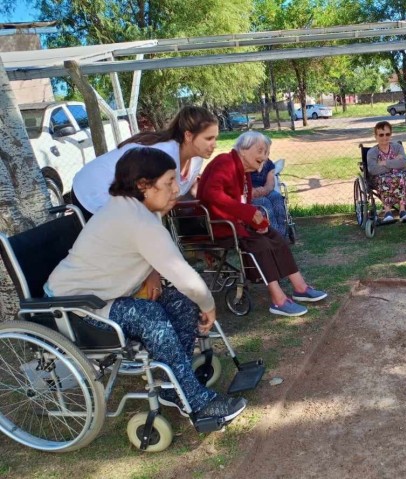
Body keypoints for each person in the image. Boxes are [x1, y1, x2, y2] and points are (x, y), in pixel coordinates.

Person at [45, 147, 247, 423]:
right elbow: (184, 275)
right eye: (169, 182)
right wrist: (209, 305)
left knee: (179, 302)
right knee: (151, 315)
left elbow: (154, 258)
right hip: (74, 308)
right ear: (143, 186)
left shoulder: (137, 208)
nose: (177, 189)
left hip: (105, 295)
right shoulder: (137, 220)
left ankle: (174, 384)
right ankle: (197, 403)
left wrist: (154, 273)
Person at [196, 131, 327, 317]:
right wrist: (249, 215)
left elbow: (244, 204)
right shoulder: (224, 162)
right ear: (243, 149)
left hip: (235, 223)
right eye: (260, 150)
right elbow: (212, 194)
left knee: (275, 236)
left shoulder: (244, 172)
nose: (264, 156)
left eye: (266, 152)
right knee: (259, 244)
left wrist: (260, 222)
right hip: (218, 226)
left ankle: (300, 287)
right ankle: (278, 300)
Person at [70, 106, 219, 220]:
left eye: (215, 138)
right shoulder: (162, 154)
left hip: (125, 199)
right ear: (188, 135)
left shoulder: (197, 158)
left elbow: (167, 202)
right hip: (91, 191)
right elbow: (145, 203)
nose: (214, 145)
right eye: (208, 138)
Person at [366, 121, 406, 223]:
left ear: (391, 135)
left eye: (387, 134)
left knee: (401, 176)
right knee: (386, 178)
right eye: (381, 135)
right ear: (376, 136)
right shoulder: (372, 152)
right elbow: (373, 170)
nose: (384, 137)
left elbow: (402, 164)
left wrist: (384, 163)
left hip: (399, 177)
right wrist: (394, 163)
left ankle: (402, 210)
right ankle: (387, 212)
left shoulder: (397, 147)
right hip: (380, 179)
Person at [250, 157, 288, 238]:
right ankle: (275, 236)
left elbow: (270, 184)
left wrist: (264, 190)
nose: (264, 154)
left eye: (266, 151)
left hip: (265, 189)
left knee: (277, 198)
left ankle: (282, 233)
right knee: (265, 202)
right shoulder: (246, 164)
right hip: (250, 193)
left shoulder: (269, 164)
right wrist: (254, 191)